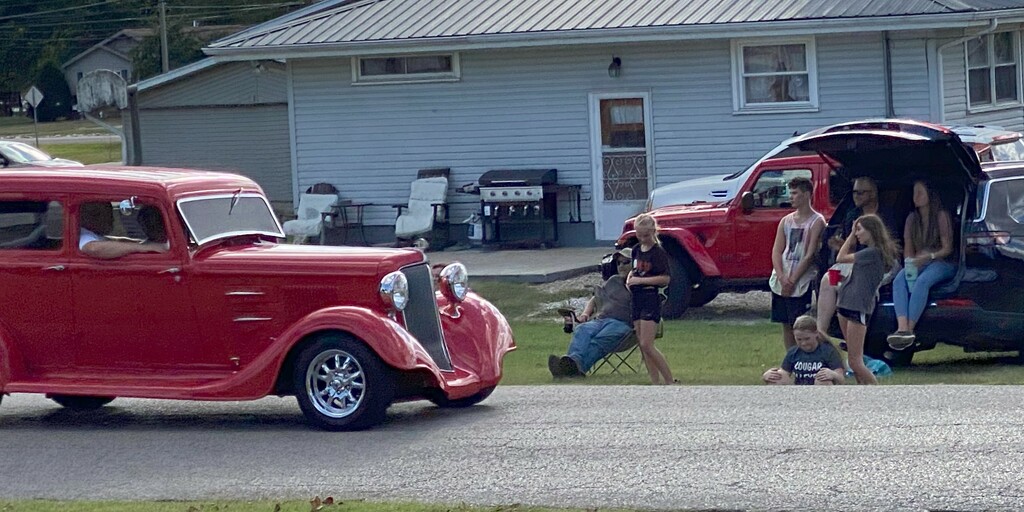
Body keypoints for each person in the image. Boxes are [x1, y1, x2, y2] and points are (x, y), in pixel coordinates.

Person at [815, 176, 900, 334]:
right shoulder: (852, 214)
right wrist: (842, 244)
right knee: (828, 279)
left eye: (861, 193)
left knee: (859, 284)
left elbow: (888, 248)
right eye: (854, 192)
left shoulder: (885, 214)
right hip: (856, 260)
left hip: (878, 262)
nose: (856, 196)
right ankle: (821, 333)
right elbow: (850, 248)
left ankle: (861, 330)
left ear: (873, 194)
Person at [887, 180, 956, 350]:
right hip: (919, 262)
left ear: (930, 195)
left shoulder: (941, 216)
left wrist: (929, 256)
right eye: (914, 193)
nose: (915, 197)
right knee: (899, 280)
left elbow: (947, 249)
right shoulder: (912, 218)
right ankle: (901, 327)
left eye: (920, 193)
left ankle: (910, 329)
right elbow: (908, 248)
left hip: (941, 261)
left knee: (923, 281)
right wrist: (910, 265)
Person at [834, 214, 900, 385]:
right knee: (853, 357)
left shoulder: (872, 253)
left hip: (858, 307)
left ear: (871, 231)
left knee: (856, 361)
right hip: (845, 303)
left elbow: (840, 257)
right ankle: (861, 391)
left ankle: (875, 391)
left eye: (859, 230)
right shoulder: (866, 254)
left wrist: (849, 238)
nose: (857, 234)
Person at [548, 248, 634, 378]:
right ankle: (572, 362)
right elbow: (595, 299)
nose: (621, 266)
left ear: (635, 264)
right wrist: (585, 315)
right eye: (618, 263)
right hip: (601, 320)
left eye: (626, 262)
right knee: (582, 329)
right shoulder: (612, 281)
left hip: (622, 324)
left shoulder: (638, 284)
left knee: (599, 339)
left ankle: (574, 369)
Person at [769, 176, 826, 349]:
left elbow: (809, 255)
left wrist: (792, 280)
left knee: (801, 323)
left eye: (795, 193)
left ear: (807, 194)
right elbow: (777, 250)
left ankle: (807, 356)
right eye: (790, 193)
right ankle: (790, 358)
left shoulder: (817, 221)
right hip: (783, 275)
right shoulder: (786, 221)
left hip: (802, 279)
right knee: (786, 323)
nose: (791, 197)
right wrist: (781, 276)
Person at [627, 213, 675, 385]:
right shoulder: (636, 251)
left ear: (653, 232)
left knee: (648, 344)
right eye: (639, 235)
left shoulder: (658, 253)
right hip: (637, 298)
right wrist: (630, 279)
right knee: (641, 344)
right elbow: (634, 270)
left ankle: (669, 380)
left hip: (650, 298)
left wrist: (640, 280)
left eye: (646, 235)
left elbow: (665, 278)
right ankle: (654, 382)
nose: (642, 239)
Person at [762, 315, 845, 385]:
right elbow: (784, 374)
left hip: (819, 388)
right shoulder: (793, 352)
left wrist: (833, 374)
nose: (803, 343)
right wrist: (768, 376)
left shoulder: (828, 351)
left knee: (823, 381)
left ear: (816, 333)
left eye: (807, 339)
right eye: (799, 339)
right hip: (799, 389)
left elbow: (841, 379)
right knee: (776, 379)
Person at [79, 202, 169, 259]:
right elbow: (93, 248)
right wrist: (143, 248)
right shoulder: (84, 235)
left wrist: (137, 243)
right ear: (94, 216)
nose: (112, 220)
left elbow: (109, 241)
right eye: (108, 215)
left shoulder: (94, 235)